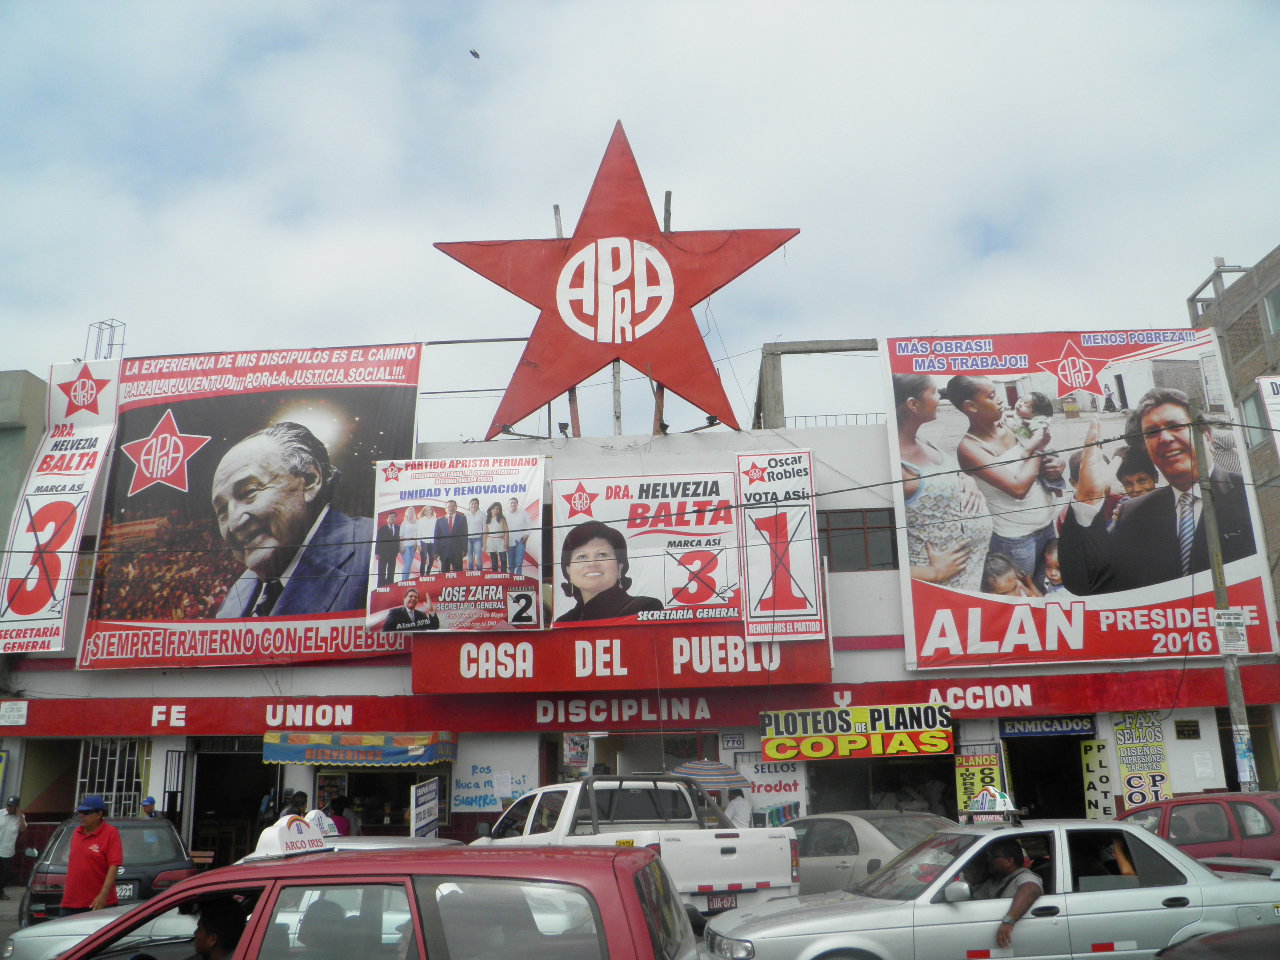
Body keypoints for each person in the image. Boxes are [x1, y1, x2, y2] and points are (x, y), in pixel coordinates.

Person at [1058, 388, 1258, 595]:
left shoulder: (1253, 496)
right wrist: (1089, 499)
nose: (1164, 438)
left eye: (1176, 426)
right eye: (1152, 433)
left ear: (1206, 436)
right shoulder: (1134, 513)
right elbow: (1087, 584)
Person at [212, 422, 375, 617]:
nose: (233, 523)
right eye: (222, 510)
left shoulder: (375, 551)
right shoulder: (239, 591)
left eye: (249, 492)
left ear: (309, 479)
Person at [949, 375, 1060, 591]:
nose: (1000, 400)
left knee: (1046, 588)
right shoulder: (971, 448)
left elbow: (1035, 463)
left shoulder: (1010, 426)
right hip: (1016, 539)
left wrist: (1056, 465)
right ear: (971, 406)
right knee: (1023, 594)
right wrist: (1038, 448)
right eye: (991, 396)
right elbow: (1017, 488)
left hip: (1046, 526)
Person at [893, 374, 993, 590]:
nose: (940, 398)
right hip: (943, 586)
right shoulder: (894, 465)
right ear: (913, 404)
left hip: (970, 573)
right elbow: (873, 561)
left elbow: (944, 473)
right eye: (935, 392)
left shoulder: (921, 440)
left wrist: (965, 479)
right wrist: (932, 572)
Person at [555, 521, 663, 623]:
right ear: (568, 571)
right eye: (582, 556)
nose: (592, 563)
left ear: (620, 566)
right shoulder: (564, 621)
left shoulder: (645, 608)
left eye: (602, 554)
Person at [971, 838, 1043, 949]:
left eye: (993, 856)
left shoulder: (1024, 877)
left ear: (1009, 860)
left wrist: (1009, 920)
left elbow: (1031, 889)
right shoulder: (995, 880)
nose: (989, 860)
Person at [61, 795, 123, 916]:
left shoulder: (110, 833)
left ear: (99, 814)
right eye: (80, 812)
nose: (81, 815)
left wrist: (103, 895)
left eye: (87, 812)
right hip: (70, 903)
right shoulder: (76, 833)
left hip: (98, 904)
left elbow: (114, 866)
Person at [0, 796, 26, 899]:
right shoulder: (0, 813)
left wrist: (20, 816)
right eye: (8, 806)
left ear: (16, 807)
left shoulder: (20, 817)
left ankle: (0, 891)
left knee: (6, 874)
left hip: (8, 851)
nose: (9, 808)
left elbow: (23, 830)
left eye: (11, 806)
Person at [433, 500, 467, 573]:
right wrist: (435, 551)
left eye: (453, 506)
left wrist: (464, 550)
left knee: (459, 574)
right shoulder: (439, 521)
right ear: (445, 508)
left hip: (458, 551)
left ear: (456, 507)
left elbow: (465, 535)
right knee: (444, 574)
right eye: (449, 507)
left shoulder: (462, 519)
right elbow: (436, 537)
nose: (451, 508)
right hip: (444, 551)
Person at [375, 511, 401, 588]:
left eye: (393, 517)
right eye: (390, 517)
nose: (392, 518)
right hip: (382, 554)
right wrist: (377, 553)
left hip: (393, 554)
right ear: (387, 519)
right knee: (382, 571)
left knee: (391, 571)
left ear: (395, 518)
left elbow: (399, 540)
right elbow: (378, 540)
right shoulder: (382, 528)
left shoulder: (398, 528)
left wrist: (397, 551)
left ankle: (390, 586)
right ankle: (380, 587)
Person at [482, 501, 509, 573]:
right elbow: (485, 533)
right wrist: (484, 545)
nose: (495, 510)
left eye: (497, 509)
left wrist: (506, 542)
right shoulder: (487, 520)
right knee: (494, 559)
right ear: (491, 509)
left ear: (499, 510)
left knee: (503, 558)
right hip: (491, 541)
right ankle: (495, 573)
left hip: (500, 540)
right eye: (494, 508)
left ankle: (504, 573)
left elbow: (506, 531)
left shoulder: (502, 519)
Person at [507, 497, 530, 576]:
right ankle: (511, 579)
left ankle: (518, 579)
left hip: (520, 540)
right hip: (510, 541)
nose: (513, 504)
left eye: (514, 503)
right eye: (511, 503)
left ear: (517, 504)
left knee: (519, 561)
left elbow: (529, 524)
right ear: (509, 504)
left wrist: (526, 535)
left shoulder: (523, 513)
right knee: (510, 561)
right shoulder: (506, 515)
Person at [398, 506, 419, 581]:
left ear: (414, 513)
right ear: (407, 513)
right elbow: (401, 536)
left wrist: (416, 544)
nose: (411, 513)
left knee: (409, 565)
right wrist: (402, 547)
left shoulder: (417, 522)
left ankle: (407, 580)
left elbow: (418, 534)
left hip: (413, 546)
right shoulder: (404, 523)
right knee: (407, 565)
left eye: (412, 512)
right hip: (405, 546)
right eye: (409, 512)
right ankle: (403, 581)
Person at [464, 497, 484, 571]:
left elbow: (485, 526)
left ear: (478, 505)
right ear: (469, 505)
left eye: (475, 503)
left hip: (478, 538)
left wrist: (484, 540)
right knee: (469, 558)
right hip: (468, 539)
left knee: (478, 557)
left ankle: (480, 572)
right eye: (472, 504)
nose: (473, 505)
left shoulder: (482, 514)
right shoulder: (466, 514)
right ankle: (470, 573)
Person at [418, 506, 438, 576]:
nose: (428, 511)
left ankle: (427, 574)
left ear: (432, 511)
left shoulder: (435, 520)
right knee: (423, 560)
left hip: (432, 542)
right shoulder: (421, 520)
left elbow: (437, 532)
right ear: (424, 512)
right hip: (423, 542)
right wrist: (418, 544)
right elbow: (418, 533)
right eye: (426, 510)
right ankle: (422, 576)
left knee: (431, 560)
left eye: (429, 510)